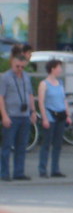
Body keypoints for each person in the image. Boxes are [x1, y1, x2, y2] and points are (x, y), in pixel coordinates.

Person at [0, 51, 37, 181]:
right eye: (17, 66)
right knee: (7, 145)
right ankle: (4, 173)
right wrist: (4, 116)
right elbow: (1, 97)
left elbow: (30, 94)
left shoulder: (26, 76)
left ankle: (19, 172)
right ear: (12, 63)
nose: (20, 69)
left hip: (24, 115)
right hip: (11, 116)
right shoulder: (5, 77)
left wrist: (33, 111)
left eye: (22, 66)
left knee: (21, 146)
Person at [38, 59, 73, 179]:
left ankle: (55, 169)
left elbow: (64, 99)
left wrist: (67, 115)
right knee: (46, 144)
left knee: (58, 144)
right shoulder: (44, 84)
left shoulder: (60, 83)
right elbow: (41, 102)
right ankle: (42, 169)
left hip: (61, 115)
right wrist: (44, 118)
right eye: (59, 67)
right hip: (50, 115)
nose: (60, 70)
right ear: (52, 68)